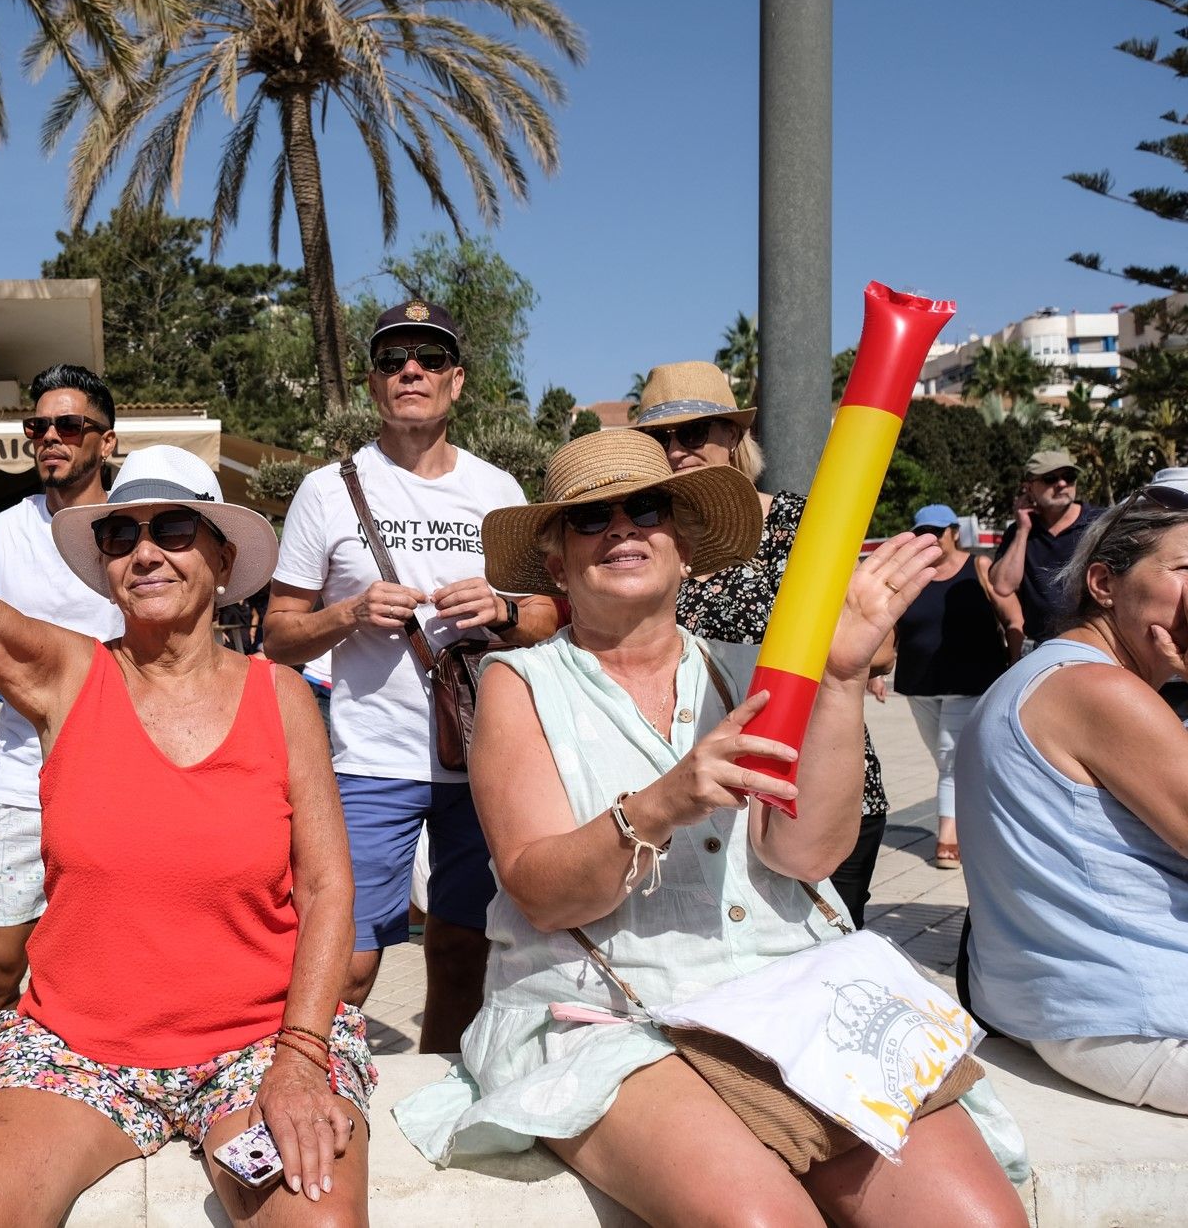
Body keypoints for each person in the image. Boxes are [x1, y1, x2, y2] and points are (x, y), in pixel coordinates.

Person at [394, 430, 1028, 1226]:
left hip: (785, 988)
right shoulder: (518, 684)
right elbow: (543, 893)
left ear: (685, 548)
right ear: (557, 563)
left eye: (648, 507)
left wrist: (834, 681)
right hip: (607, 1015)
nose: (623, 526)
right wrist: (660, 804)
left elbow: (806, 852)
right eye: (592, 517)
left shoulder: (748, 668)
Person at [0, 355, 373, 1226]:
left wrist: (302, 1052)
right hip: (76, 1048)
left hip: (259, 1040)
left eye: (174, 529)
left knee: (319, 1221)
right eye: (122, 535)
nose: (145, 549)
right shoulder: (71, 676)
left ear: (224, 556)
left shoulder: (280, 696)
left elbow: (328, 885)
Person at [263, 300, 558, 1053]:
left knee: (463, 948)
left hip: (484, 759)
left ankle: (441, 1094)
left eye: (429, 358)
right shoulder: (328, 490)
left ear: (456, 382)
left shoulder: (497, 491)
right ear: (373, 385)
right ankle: (319, 1084)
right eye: (394, 360)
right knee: (348, 961)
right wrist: (349, 615)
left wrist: (500, 608)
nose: (412, 371)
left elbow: (551, 618)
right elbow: (276, 636)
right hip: (367, 764)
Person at [956, 482, 1188, 1114]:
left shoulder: (1054, 671)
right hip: (1139, 1013)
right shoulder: (1099, 690)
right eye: (1184, 568)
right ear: (1104, 584)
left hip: (1070, 1000)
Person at [636, 361, 893, 926]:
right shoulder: (646, 539)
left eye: (694, 432)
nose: (677, 449)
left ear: (733, 436)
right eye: (659, 437)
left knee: (827, 952)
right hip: (701, 790)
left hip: (811, 779)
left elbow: (879, 647)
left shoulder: (805, 524)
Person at [0, 363, 124, 1039]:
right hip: (24, 779)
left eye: (69, 425)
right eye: (38, 426)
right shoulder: (0, 536)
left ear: (105, 441)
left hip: (121, 781)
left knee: (107, 968)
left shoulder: (132, 528)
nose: (50, 437)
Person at [888, 503, 1018, 869]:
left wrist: (1014, 662)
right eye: (921, 532)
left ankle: (948, 837)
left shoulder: (977, 567)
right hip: (919, 683)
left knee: (950, 757)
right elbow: (892, 626)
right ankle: (975, 814)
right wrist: (876, 673)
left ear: (954, 533)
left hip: (970, 678)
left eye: (937, 531)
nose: (929, 537)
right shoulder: (910, 575)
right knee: (945, 758)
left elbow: (1012, 617)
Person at [989, 448, 1104, 652]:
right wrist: (1023, 530)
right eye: (1050, 478)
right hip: (1042, 647)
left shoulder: (1100, 523)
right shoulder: (1019, 531)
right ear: (1029, 488)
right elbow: (1003, 586)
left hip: (1095, 645)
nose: (1061, 484)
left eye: (1069, 477)